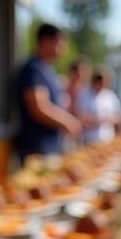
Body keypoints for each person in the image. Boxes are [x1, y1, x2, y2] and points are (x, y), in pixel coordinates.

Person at [14, 23, 81, 163]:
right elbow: (39, 108)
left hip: (49, 146)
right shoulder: (33, 69)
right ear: (45, 41)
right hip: (38, 149)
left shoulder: (46, 69)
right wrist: (69, 122)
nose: (64, 48)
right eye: (60, 42)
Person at [78, 70, 121, 145]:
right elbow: (81, 117)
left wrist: (103, 119)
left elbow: (119, 117)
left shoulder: (110, 96)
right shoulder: (85, 95)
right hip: (90, 139)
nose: (100, 84)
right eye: (98, 81)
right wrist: (98, 120)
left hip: (108, 138)